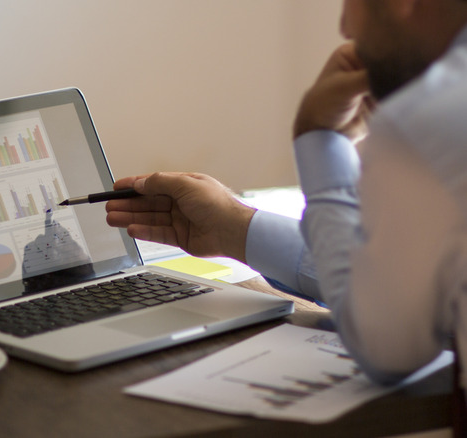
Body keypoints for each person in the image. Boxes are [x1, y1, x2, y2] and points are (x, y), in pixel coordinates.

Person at [105, 0, 467, 393]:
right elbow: (413, 285)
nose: (346, 28)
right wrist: (236, 230)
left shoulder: (432, 119)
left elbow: (387, 341)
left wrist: (321, 139)